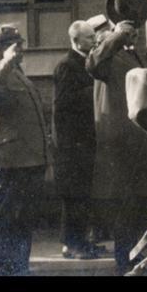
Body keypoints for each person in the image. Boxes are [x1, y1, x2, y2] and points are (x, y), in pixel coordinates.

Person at [87, 0, 147, 274]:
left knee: (139, 207)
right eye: (130, 31)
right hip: (119, 148)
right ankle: (124, 264)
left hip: (138, 145)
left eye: (135, 31)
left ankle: (134, 260)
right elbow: (93, 62)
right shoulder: (105, 57)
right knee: (125, 211)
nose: (134, 35)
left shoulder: (130, 56)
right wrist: (116, 34)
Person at [0, 25, 49, 275]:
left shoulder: (19, 74)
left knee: (24, 220)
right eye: (14, 45)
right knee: (6, 221)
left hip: (31, 159)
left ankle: (19, 268)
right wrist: (4, 63)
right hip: (10, 161)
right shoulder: (2, 73)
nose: (20, 50)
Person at [52, 21, 100, 260]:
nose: (95, 40)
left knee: (83, 196)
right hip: (73, 145)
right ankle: (73, 245)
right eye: (90, 37)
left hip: (84, 142)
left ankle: (79, 241)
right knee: (74, 197)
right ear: (77, 40)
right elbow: (63, 105)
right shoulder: (66, 66)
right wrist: (97, 90)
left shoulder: (85, 62)